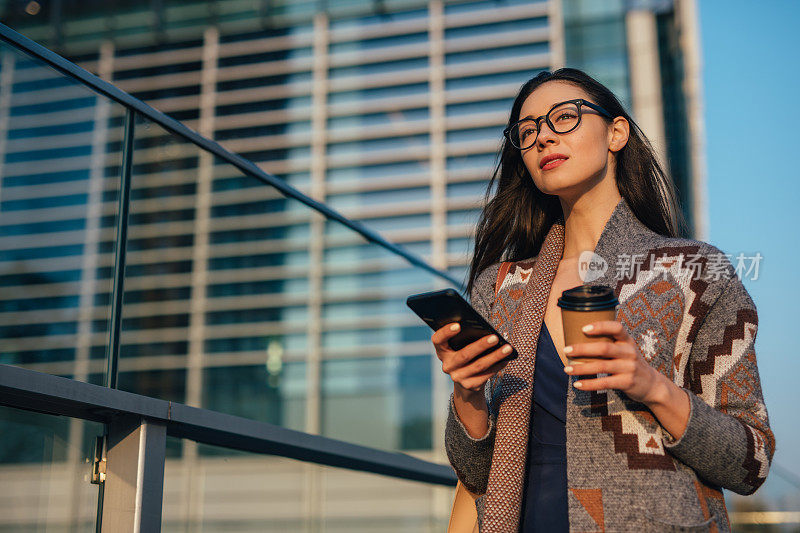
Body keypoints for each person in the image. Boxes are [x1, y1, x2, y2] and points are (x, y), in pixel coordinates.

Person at [433, 68, 774, 532]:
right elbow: (475, 474)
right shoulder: (500, 287)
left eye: (564, 118)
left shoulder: (695, 272)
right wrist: (467, 395)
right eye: (527, 131)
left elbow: (750, 462)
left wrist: (653, 387)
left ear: (616, 133)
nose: (542, 138)